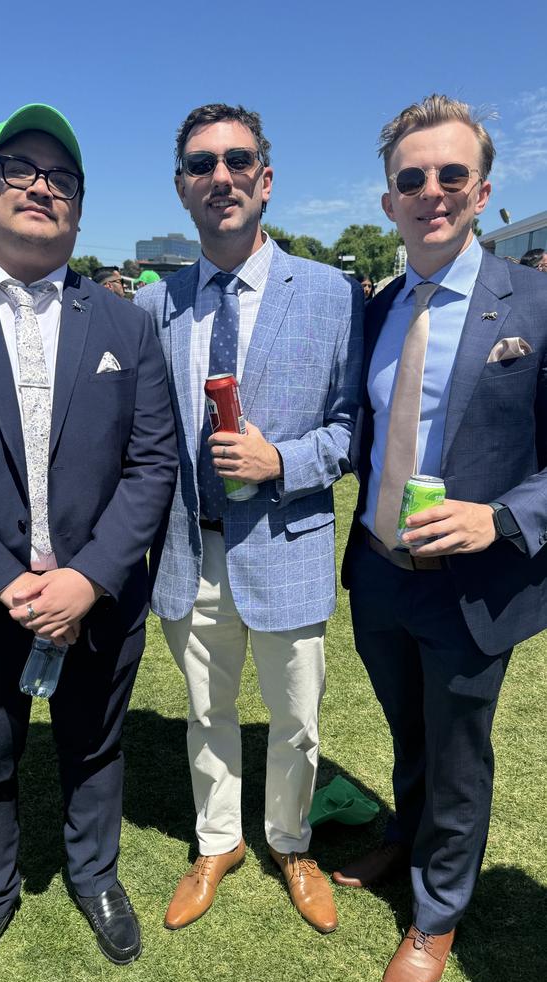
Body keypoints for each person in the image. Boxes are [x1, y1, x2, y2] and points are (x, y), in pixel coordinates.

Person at [0, 103, 176, 982]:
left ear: (81, 210)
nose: (41, 187)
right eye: (20, 168)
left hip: (96, 602)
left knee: (94, 749)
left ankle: (95, 876)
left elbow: (152, 461)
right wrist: (3, 581)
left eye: (62, 178)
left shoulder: (127, 324)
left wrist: (89, 578)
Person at [336, 94, 547, 982]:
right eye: (411, 178)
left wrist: (496, 518)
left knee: (461, 752)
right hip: (381, 576)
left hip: (475, 586)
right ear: (388, 199)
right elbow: (361, 431)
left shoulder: (534, 299)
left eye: (451, 175)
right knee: (406, 727)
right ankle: (405, 828)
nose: (432, 190)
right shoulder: (379, 304)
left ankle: (437, 910)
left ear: (482, 188)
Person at [136, 103, 362, 934]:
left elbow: (350, 431)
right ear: (183, 189)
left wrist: (283, 462)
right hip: (188, 551)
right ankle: (218, 839)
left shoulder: (333, 294)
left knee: (297, 720)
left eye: (237, 160)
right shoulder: (160, 303)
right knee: (205, 712)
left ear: (264, 179)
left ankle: (291, 840)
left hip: (288, 543)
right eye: (202, 165)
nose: (220, 176)